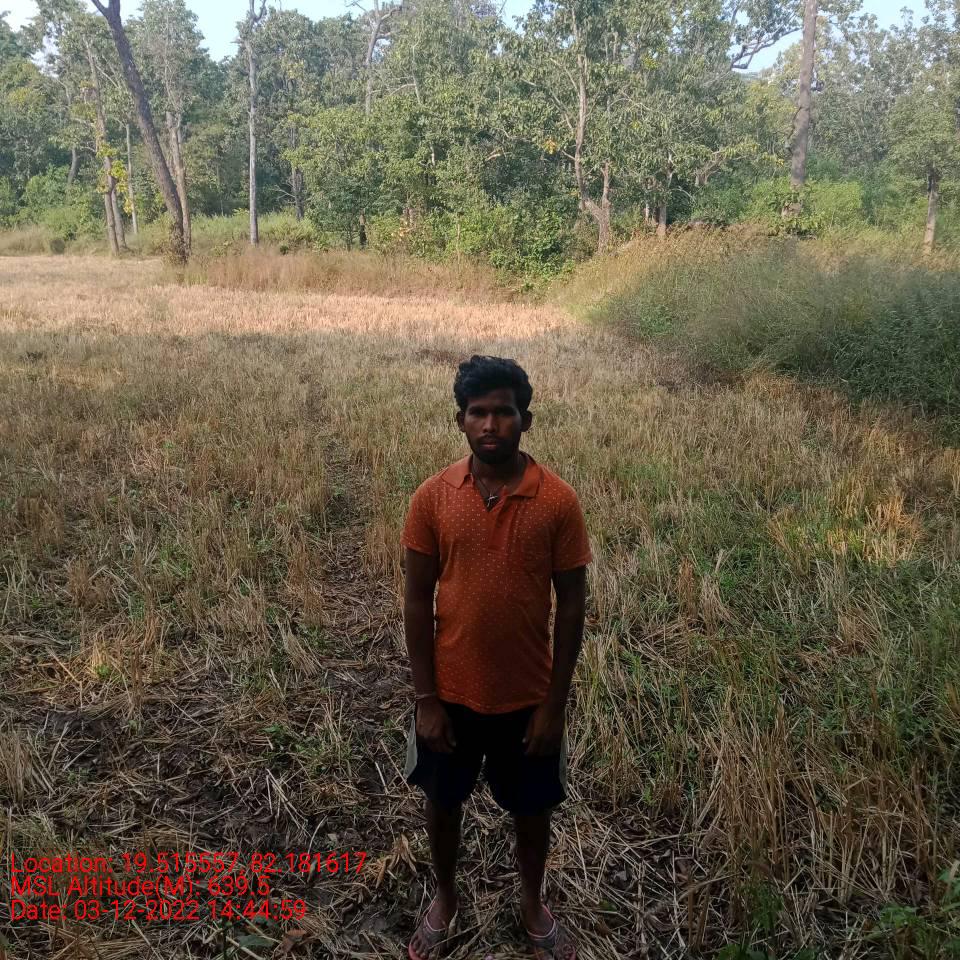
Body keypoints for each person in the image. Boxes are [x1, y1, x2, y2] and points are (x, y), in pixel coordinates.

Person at [401, 355, 591, 960]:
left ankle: (532, 901)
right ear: (459, 420)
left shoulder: (557, 501)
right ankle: (446, 897)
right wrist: (426, 701)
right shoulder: (432, 497)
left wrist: (554, 706)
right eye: (477, 413)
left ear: (525, 420)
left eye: (503, 412)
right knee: (442, 805)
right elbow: (415, 599)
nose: (490, 425)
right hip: (450, 695)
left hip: (528, 697)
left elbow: (572, 606)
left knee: (533, 810)